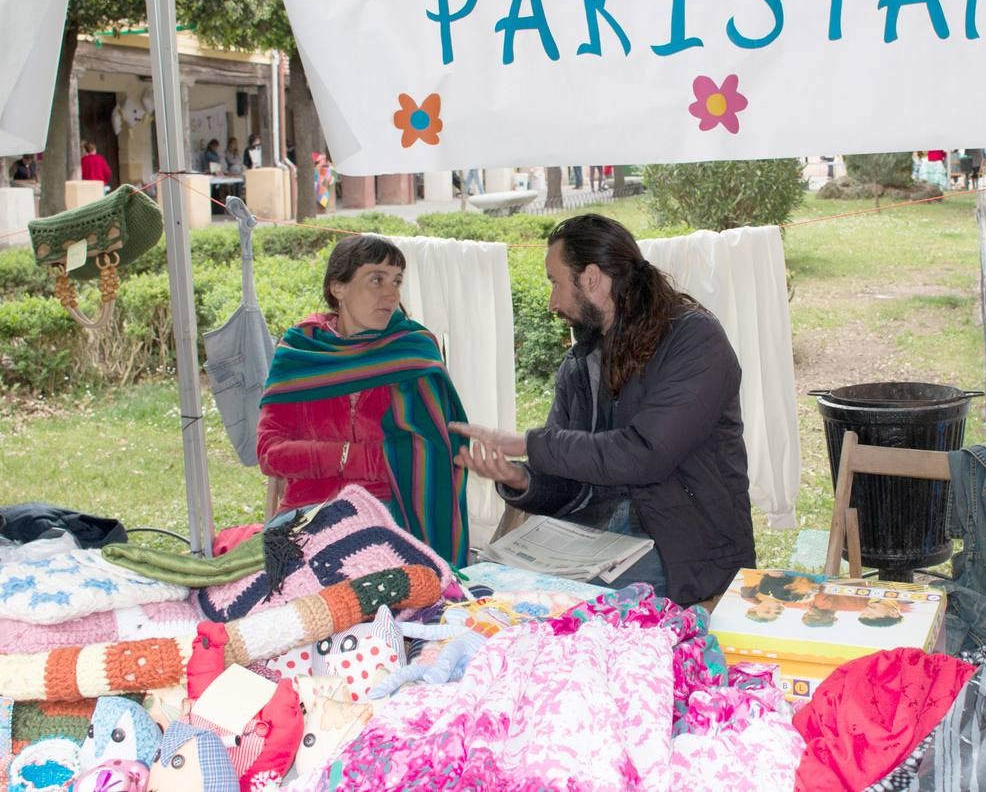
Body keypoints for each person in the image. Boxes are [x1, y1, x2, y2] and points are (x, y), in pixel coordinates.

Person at [450, 214, 756, 606]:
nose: (552, 303)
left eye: (556, 284)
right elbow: (569, 476)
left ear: (592, 278)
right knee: (488, 591)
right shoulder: (581, 362)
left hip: (687, 548)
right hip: (597, 540)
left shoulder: (694, 339)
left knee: (549, 607)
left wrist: (526, 441)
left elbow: (645, 455)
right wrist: (522, 480)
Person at [257, 234, 472, 567]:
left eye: (396, 281)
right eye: (376, 280)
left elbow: (433, 456)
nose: (391, 294)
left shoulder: (412, 351)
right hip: (305, 514)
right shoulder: (301, 351)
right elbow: (270, 453)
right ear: (337, 287)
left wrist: (328, 457)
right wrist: (355, 456)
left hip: (390, 513)